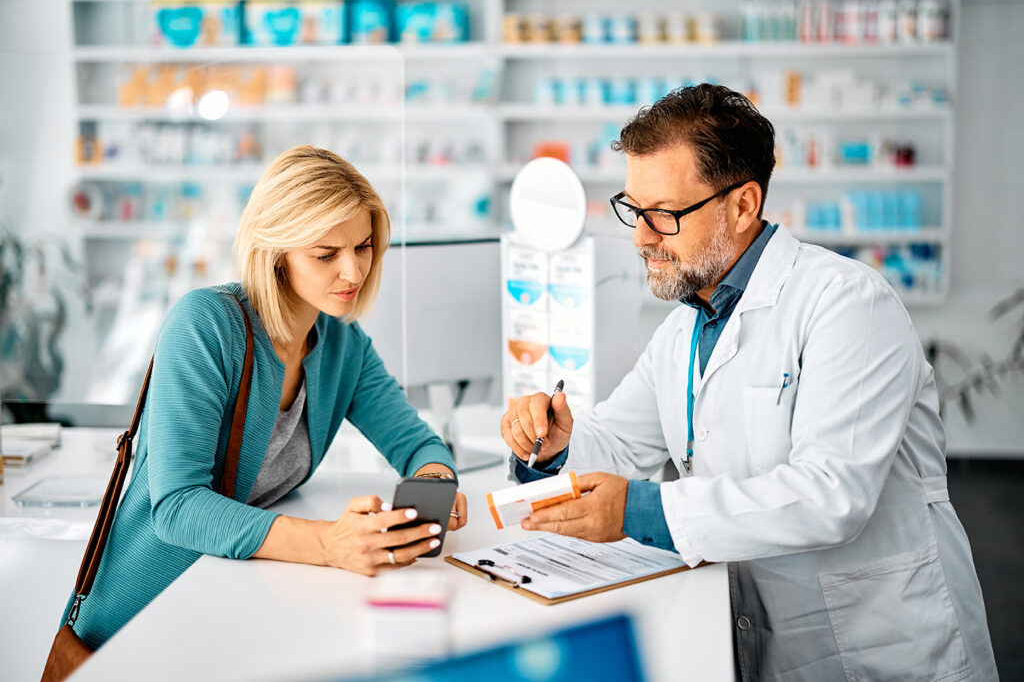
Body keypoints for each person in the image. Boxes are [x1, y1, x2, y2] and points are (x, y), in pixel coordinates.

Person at [500, 85, 997, 681]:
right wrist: (553, 445)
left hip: (881, 643)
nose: (640, 237)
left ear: (741, 205)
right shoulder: (686, 327)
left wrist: (641, 510)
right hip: (760, 631)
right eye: (634, 210)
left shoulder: (847, 303)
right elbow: (620, 446)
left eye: (664, 214)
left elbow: (832, 494)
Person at [59, 145, 468, 650]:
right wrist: (327, 543)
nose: (354, 272)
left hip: (235, 600)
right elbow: (177, 507)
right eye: (326, 254)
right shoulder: (206, 325)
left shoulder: (344, 345)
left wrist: (434, 484)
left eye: (362, 247)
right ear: (276, 253)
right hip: (146, 615)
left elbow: (416, 443)